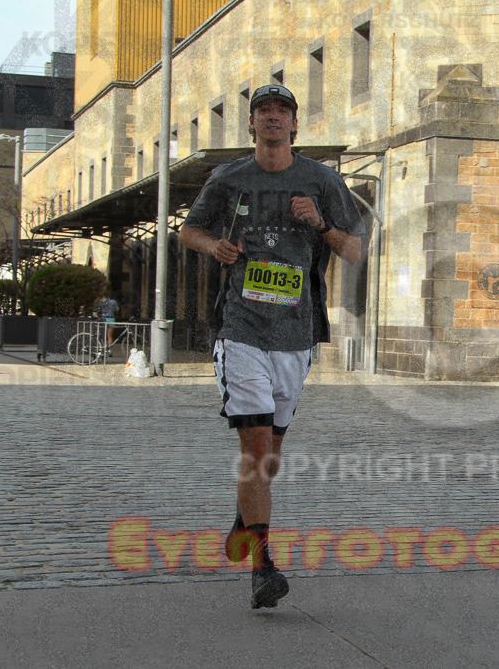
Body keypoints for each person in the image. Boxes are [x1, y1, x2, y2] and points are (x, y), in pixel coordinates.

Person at [178, 83, 364, 608]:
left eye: (283, 111)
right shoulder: (229, 178)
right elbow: (189, 230)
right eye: (264, 111)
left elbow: (352, 250)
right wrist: (215, 244)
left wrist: (319, 223)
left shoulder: (323, 180)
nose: (274, 118)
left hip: (295, 331)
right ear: (253, 124)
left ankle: (245, 517)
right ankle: (263, 567)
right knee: (255, 446)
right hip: (240, 327)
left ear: (295, 124)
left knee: (271, 455)